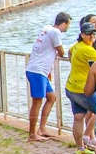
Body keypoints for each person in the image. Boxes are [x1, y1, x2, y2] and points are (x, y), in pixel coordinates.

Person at [25, 12, 71, 142]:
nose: (67, 28)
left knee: (51, 97)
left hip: (40, 71)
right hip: (37, 71)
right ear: (63, 24)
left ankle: (42, 128)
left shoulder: (47, 28)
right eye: (68, 25)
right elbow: (61, 52)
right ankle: (32, 133)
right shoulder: (56, 32)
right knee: (37, 101)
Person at [65, 22, 96, 154]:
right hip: (82, 90)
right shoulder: (87, 50)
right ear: (82, 35)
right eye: (88, 33)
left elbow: (69, 53)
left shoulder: (76, 46)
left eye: (94, 33)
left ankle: (80, 148)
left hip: (70, 87)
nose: (92, 36)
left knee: (79, 116)